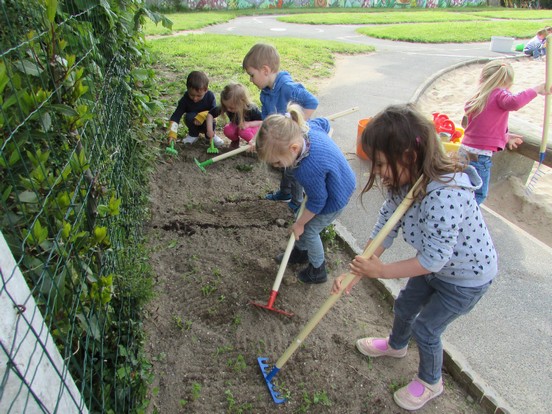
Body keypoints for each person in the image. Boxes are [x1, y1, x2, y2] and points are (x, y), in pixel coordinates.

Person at [331, 104, 498, 411]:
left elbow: (433, 260)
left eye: (380, 163)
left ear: (408, 155)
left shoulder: (445, 193)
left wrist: (380, 271)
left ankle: (431, 382)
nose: (377, 172)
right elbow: (386, 226)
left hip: (466, 278)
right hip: (435, 266)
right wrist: (357, 268)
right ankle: (396, 347)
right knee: (405, 304)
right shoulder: (405, 181)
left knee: (427, 329)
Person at [256, 104, 355, 284]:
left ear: (294, 149)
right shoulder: (307, 129)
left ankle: (318, 270)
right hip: (336, 182)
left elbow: (318, 202)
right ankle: (301, 253)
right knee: (300, 217)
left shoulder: (307, 169)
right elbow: (324, 123)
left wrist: (301, 224)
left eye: (278, 162)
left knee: (309, 230)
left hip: (335, 197)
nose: (277, 167)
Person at [242, 43, 319, 213]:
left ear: (265, 70)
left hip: (292, 141)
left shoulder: (287, 87)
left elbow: (312, 102)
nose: (250, 80)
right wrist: (257, 139)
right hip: (278, 141)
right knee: (284, 168)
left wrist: (296, 126)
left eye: (252, 75)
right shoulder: (265, 93)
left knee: (294, 171)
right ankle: (285, 194)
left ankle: (297, 201)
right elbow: (266, 120)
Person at [461, 60, 549, 204]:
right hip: (480, 157)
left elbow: (483, 128)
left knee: (463, 187)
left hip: (464, 151)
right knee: (479, 194)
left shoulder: (479, 97)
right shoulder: (499, 94)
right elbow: (514, 102)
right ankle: (466, 220)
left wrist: (505, 136)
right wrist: (537, 89)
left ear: (482, 79)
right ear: (508, 85)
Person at [168, 70, 224, 148]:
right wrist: (172, 133)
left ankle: (211, 136)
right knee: (189, 116)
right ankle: (193, 135)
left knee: (211, 119)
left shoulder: (210, 96)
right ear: (187, 89)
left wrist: (202, 116)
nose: (195, 98)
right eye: (192, 95)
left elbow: (215, 111)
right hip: (193, 122)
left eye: (199, 96)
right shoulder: (185, 100)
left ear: (206, 90)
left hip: (208, 124)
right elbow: (176, 116)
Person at [207, 83, 262, 150]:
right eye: (226, 106)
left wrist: (249, 124)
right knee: (228, 130)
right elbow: (210, 114)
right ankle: (235, 141)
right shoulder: (228, 106)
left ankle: (255, 145)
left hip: (252, 129)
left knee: (244, 132)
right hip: (238, 126)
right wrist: (210, 130)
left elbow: (262, 122)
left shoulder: (251, 109)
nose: (228, 109)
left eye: (231, 108)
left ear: (242, 102)